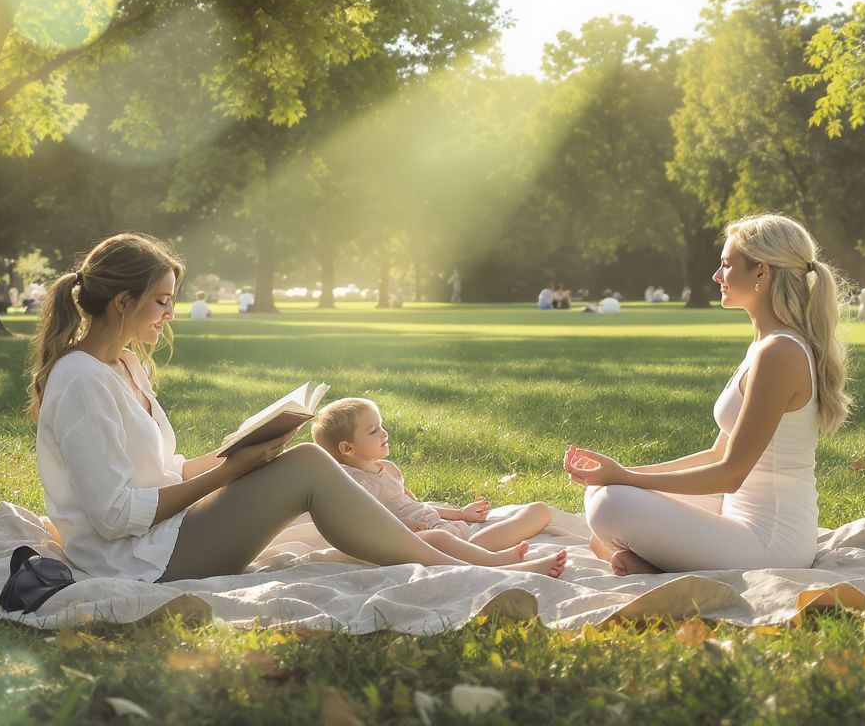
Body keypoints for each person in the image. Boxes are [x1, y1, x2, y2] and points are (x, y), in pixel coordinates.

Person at [29, 232, 564, 583]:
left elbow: (163, 474)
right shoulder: (80, 381)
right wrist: (231, 473)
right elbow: (114, 514)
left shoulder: (126, 365)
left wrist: (236, 455)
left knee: (297, 460)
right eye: (162, 300)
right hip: (135, 564)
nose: (170, 313)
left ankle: (455, 558)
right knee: (310, 464)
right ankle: (463, 566)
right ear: (122, 302)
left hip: (166, 536)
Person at [565, 213, 851, 575]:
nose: (716, 277)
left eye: (727, 266)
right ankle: (647, 562)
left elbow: (730, 474)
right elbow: (719, 452)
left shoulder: (780, 353)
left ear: (761, 272)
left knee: (611, 505)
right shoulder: (764, 345)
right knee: (603, 496)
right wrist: (622, 472)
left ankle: (651, 564)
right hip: (736, 518)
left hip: (772, 546)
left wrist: (626, 478)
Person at [311, 398, 565, 576]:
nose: (384, 433)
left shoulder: (388, 469)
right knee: (438, 538)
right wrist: (405, 528)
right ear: (347, 448)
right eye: (373, 430)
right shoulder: (351, 482)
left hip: (448, 532)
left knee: (538, 510)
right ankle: (498, 564)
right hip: (414, 542)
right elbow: (366, 522)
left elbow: (418, 505)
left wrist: (462, 514)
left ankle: (475, 553)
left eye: (381, 425)